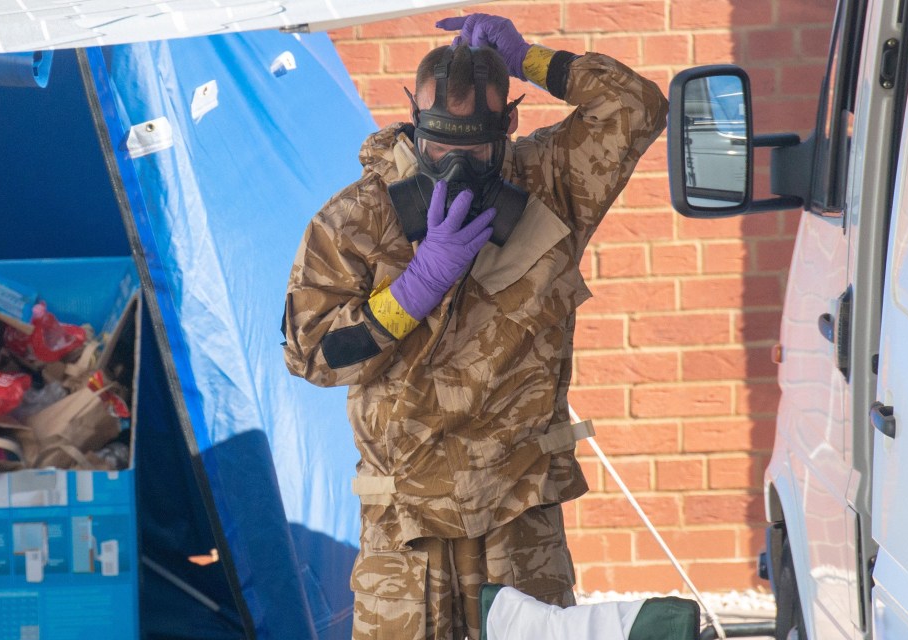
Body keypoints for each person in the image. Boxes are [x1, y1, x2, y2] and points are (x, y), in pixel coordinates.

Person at [283, 13, 669, 640]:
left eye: (474, 150)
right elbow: (310, 356)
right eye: (439, 146)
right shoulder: (357, 218)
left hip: (519, 509)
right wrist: (414, 289)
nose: (454, 165)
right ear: (414, 116)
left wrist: (529, 59)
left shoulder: (548, 182)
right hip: (406, 524)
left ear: (508, 126)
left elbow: (637, 104)